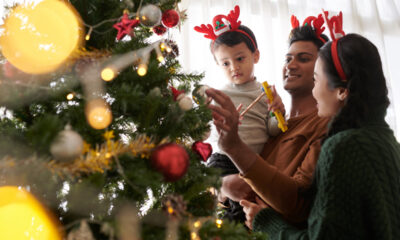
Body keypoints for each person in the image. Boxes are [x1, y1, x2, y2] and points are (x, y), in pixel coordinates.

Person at [246, 13, 400, 239]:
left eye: (316, 80)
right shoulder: (387, 141)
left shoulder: (340, 145)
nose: (315, 90)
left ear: (341, 90)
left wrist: (266, 222)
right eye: (287, 58)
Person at [205, 13, 332, 227]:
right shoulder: (275, 125)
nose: (290, 65)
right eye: (288, 58)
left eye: (303, 58)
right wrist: (220, 185)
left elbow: (298, 203)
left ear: (323, 71)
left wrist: (265, 219)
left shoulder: (325, 126)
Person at [194, 5, 284, 223]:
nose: (233, 67)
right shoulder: (219, 94)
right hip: (223, 160)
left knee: (246, 209)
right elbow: (204, 132)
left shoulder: (266, 93)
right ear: (217, 64)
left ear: (256, 56)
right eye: (225, 63)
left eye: (240, 58)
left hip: (252, 160)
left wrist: (277, 113)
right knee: (231, 208)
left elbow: (272, 131)